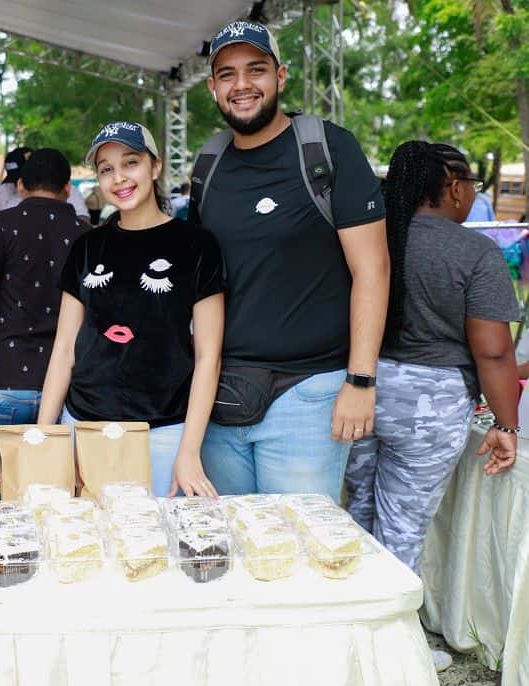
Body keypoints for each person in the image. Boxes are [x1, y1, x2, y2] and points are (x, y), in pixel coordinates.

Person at [193, 21, 389, 500]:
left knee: (301, 552)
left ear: (280, 77)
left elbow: (373, 271)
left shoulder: (327, 148)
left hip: (309, 395)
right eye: (228, 74)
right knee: (232, 549)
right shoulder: (209, 163)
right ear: (212, 87)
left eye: (255, 70)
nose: (242, 85)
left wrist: (360, 380)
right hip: (222, 395)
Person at [346, 141, 519, 570]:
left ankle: (351, 623)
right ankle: (388, 631)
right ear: (455, 188)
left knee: (355, 516)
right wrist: (505, 424)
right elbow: (494, 353)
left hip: (357, 389)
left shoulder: (368, 241)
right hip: (431, 405)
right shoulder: (474, 252)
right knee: (400, 534)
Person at [37, 121, 226, 498]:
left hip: (163, 433)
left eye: (130, 163)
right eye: (106, 169)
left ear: (154, 167)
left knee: (155, 551)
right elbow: (63, 349)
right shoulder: (86, 247)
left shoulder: (196, 245)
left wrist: (188, 451)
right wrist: (45, 436)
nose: (119, 178)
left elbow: (209, 356)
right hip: (84, 426)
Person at [0, 149, 86, 425]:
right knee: (54, 470)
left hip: (5, 379)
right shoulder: (88, 237)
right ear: (68, 189)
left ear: (20, 186)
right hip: (69, 388)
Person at [0, 147, 92, 220]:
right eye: (15, 179)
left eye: (22, 178)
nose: (18, 184)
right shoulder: (7, 189)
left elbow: (83, 223)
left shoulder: (64, 190)